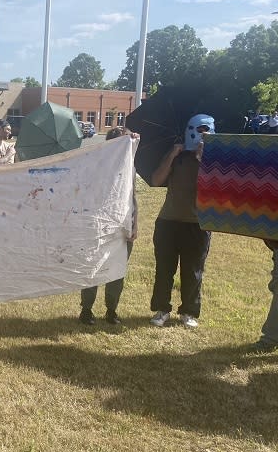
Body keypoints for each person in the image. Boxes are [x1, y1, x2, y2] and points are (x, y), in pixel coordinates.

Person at [149, 114, 214, 328]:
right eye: (196, 129)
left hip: (198, 223)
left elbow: (217, 190)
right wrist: (173, 155)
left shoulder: (215, 160)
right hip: (168, 220)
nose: (199, 134)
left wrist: (204, 161)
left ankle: (189, 312)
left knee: (193, 270)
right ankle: (161, 309)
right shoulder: (175, 155)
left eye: (205, 130)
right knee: (164, 269)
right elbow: (156, 180)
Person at [78, 127, 139, 325]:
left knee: (117, 269)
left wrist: (134, 224)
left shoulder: (130, 166)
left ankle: (111, 310)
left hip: (123, 227)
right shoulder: (97, 165)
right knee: (93, 269)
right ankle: (86, 310)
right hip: (100, 225)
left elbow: (132, 197)